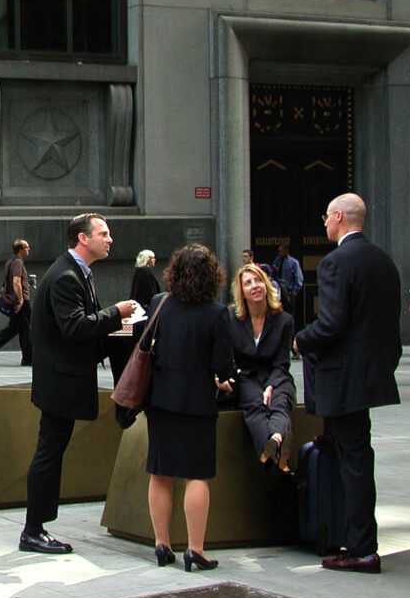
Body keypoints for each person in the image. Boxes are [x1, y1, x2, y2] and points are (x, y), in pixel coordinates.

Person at [293, 193, 401, 574]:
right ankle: (358, 539)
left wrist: (301, 339)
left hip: (345, 380)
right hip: (372, 374)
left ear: (339, 217)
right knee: (357, 456)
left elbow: (333, 323)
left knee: (355, 464)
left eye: (326, 216)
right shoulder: (384, 260)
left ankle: (361, 548)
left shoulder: (335, 262)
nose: (323, 222)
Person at [19, 213, 136, 554]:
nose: (110, 239)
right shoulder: (67, 276)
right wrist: (117, 312)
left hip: (60, 380)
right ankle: (33, 529)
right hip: (60, 383)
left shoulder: (75, 272)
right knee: (48, 454)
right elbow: (75, 327)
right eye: (104, 233)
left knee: (50, 452)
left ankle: (36, 526)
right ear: (83, 239)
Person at [145, 244, 233, 572]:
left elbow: (144, 345)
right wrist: (224, 379)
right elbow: (223, 366)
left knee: (161, 472)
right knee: (196, 475)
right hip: (196, 401)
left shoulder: (159, 303)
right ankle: (195, 549)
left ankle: (161, 544)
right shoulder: (216, 313)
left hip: (161, 400)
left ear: (175, 272)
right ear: (212, 275)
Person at [227, 264, 296, 471]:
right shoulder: (230, 318)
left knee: (280, 401)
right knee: (254, 403)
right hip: (245, 376)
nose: (255, 286)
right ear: (242, 292)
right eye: (248, 283)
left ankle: (271, 443)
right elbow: (228, 356)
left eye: (258, 281)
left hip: (276, 374)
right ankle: (275, 441)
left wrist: (271, 385)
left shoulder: (285, 321)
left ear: (266, 285)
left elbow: (282, 362)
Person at [0, 239, 32, 366]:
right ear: (21, 250)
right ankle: (28, 358)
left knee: (14, 329)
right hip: (20, 302)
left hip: (14, 300)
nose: (29, 249)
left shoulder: (9, 262)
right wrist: (21, 300)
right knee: (26, 330)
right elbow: (16, 281)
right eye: (27, 247)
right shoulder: (18, 263)